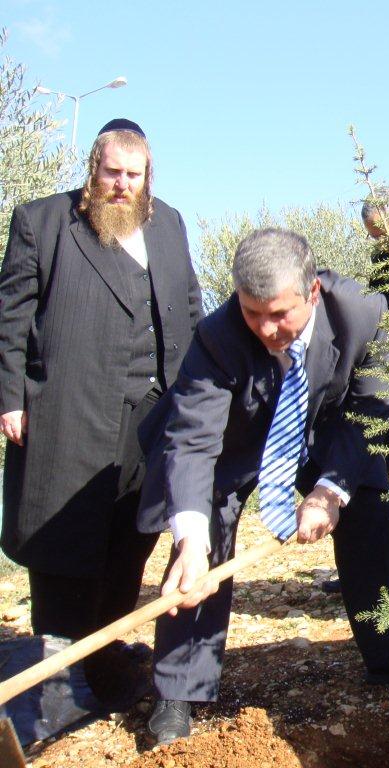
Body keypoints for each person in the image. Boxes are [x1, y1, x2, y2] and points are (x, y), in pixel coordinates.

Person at [137, 228, 389, 746]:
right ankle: (178, 688)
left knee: (372, 503)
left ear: (312, 293)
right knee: (204, 533)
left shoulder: (363, 314)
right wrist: (191, 542)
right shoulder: (217, 336)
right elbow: (193, 443)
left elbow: (370, 411)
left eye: (279, 314)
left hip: (325, 432)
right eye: (252, 312)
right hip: (238, 444)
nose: (265, 329)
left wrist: (330, 490)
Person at [0, 119, 202, 707]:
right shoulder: (42, 222)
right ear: (94, 170)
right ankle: (57, 679)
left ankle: (103, 651)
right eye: (112, 173)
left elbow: (188, 304)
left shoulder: (169, 224)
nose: (121, 186)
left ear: (147, 176)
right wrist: (9, 397)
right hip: (70, 409)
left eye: (132, 176)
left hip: (150, 418)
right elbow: (10, 318)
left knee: (130, 537)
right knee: (63, 538)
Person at [322, 188, 389, 597]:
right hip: (384, 380)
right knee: (371, 471)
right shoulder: (384, 258)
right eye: (371, 235)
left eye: (382, 234)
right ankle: (365, 569)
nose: (377, 243)